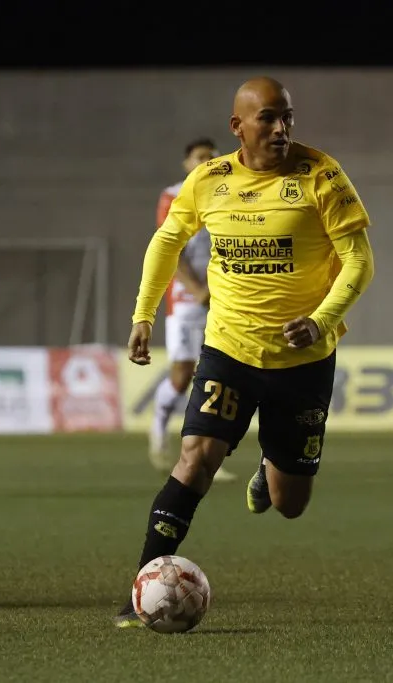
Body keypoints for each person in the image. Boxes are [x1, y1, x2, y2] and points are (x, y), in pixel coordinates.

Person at [115, 77, 375, 627]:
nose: (281, 128)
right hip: (229, 350)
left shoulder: (322, 175)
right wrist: (143, 315)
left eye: (288, 118)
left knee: (290, 503)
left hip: (303, 359)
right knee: (196, 460)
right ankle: (140, 587)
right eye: (269, 119)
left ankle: (269, 464)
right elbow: (166, 241)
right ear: (238, 127)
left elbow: (359, 261)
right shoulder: (208, 181)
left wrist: (322, 319)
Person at [148, 137, 235, 482]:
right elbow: (171, 250)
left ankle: (206, 456)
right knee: (183, 374)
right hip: (186, 299)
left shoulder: (227, 194)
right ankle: (159, 422)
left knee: (217, 377)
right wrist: (198, 289)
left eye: (211, 157)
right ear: (186, 163)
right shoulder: (173, 197)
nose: (206, 161)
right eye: (200, 157)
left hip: (220, 298)